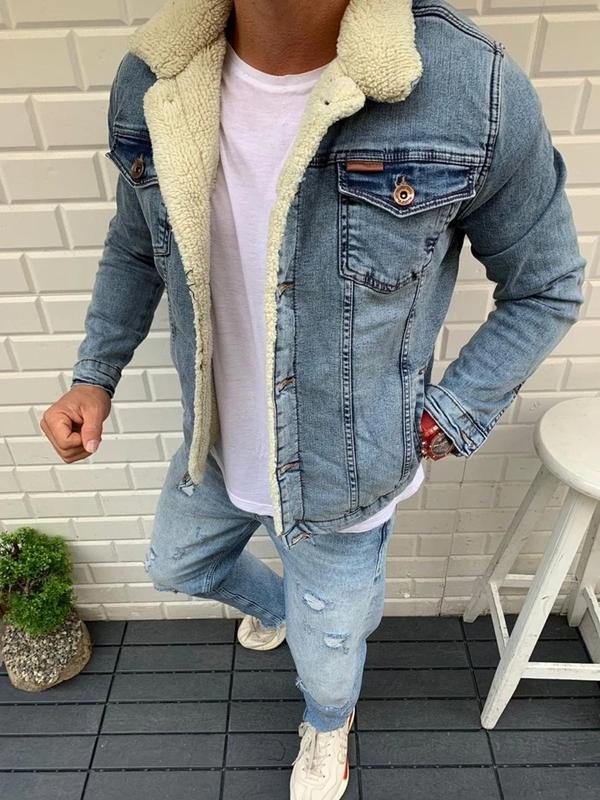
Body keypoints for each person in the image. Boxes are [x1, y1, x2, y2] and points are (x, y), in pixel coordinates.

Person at [40, 0, 586, 797]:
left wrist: (453, 411)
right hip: (217, 443)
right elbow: (135, 245)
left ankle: (329, 725)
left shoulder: (470, 86)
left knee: (330, 661)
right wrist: (96, 374)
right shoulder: (155, 76)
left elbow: (546, 284)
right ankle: (288, 610)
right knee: (177, 563)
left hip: (347, 473)